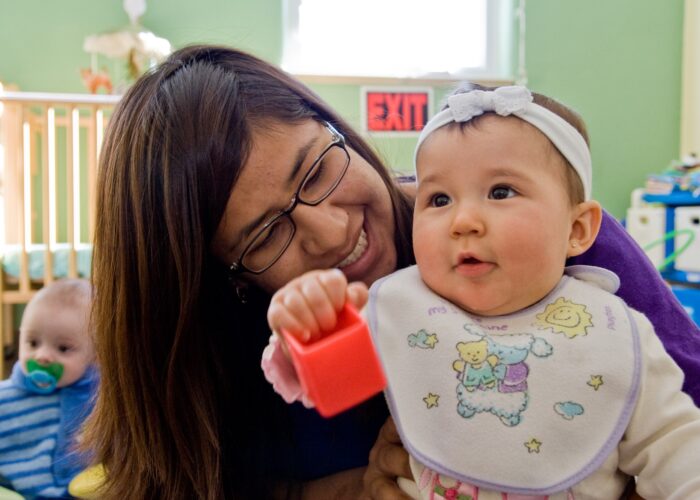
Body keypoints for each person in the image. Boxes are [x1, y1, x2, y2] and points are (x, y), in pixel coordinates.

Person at [83, 44, 700, 499]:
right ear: (231, 281)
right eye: (268, 235)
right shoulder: (354, 321)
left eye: (318, 169)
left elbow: (683, 430)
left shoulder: (551, 242)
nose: (331, 232)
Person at [266, 84, 700, 499]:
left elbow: (677, 447)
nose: (464, 221)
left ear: (578, 228)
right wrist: (307, 318)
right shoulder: (400, 307)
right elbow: (323, 374)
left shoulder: (616, 329)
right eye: (439, 200)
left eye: (500, 191)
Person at [0, 278, 97, 498]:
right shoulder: (5, 397)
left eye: (63, 348)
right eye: (32, 343)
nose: (42, 356)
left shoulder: (99, 399)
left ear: (95, 356)